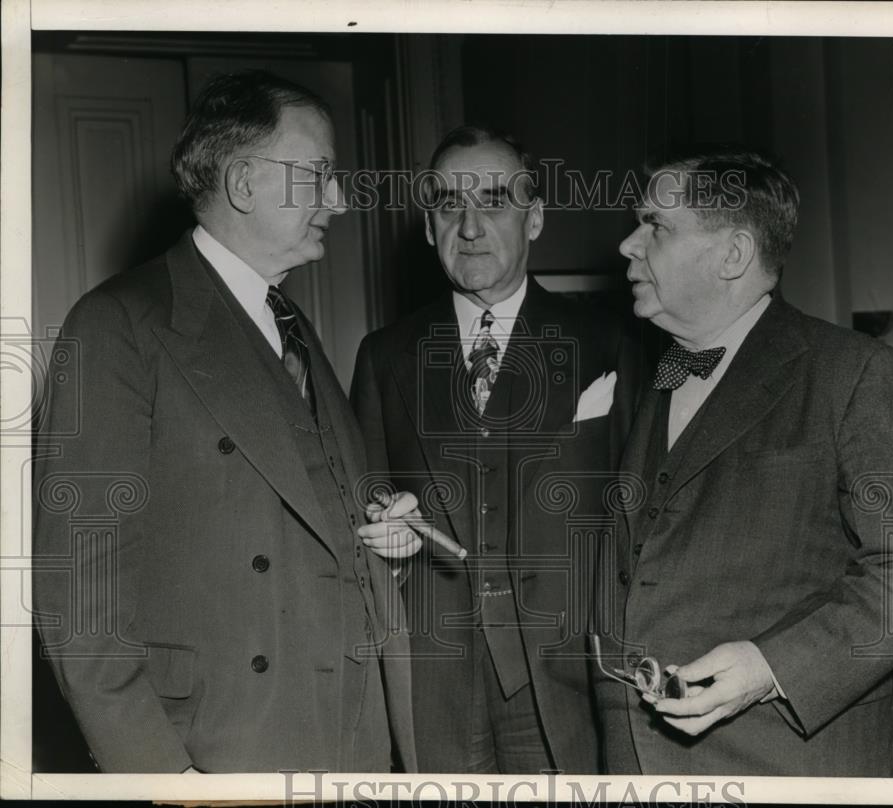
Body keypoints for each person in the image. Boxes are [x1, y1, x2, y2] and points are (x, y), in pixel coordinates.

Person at [33, 70, 419, 773]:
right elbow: (79, 602)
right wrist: (166, 779)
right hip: (221, 752)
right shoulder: (118, 325)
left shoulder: (291, 321)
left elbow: (286, 502)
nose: (338, 198)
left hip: (350, 737)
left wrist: (375, 522)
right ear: (244, 184)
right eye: (320, 175)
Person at [594, 147, 893, 775]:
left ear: (733, 254)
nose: (629, 245)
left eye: (655, 224)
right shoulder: (645, 372)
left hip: (779, 761)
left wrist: (771, 668)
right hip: (633, 762)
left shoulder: (854, 373)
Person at [351, 126, 637, 773]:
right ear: (429, 227)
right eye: (450, 203)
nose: (471, 225)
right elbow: (363, 504)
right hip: (434, 683)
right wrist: (383, 538)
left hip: (567, 681)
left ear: (534, 219)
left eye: (495, 201)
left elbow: (641, 518)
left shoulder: (609, 343)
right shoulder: (385, 355)